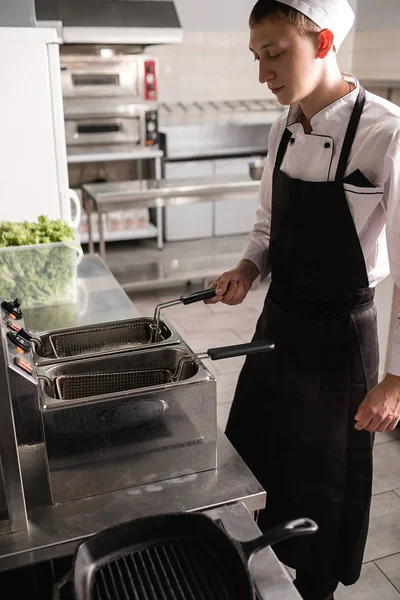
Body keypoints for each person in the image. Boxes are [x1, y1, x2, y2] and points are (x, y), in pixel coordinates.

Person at [205, 1, 400, 599]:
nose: (263, 74)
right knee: (257, 467)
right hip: (277, 328)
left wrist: (395, 378)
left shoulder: (387, 132)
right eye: (256, 58)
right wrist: (247, 265)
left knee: (327, 489)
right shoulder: (284, 124)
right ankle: (257, 579)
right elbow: (267, 226)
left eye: (274, 54)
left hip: (342, 341)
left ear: (322, 43)